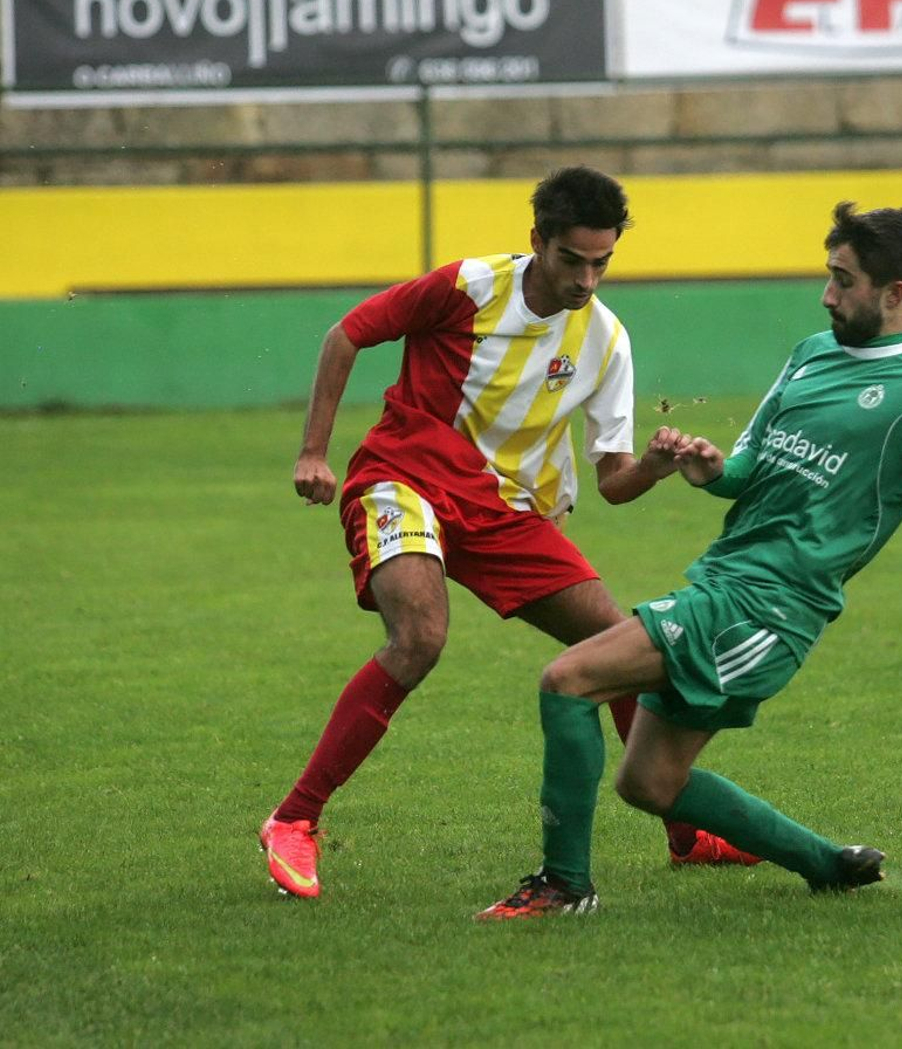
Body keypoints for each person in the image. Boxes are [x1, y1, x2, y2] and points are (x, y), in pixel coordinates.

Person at [474, 200, 902, 919]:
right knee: (648, 782)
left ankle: (563, 885)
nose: (827, 294)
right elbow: (747, 471)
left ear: (895, 293)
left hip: (772, 607)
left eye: (843, 280)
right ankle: (826, 864)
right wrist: (712, 468)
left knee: (567, 679)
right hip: (725, 577)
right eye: (829, 276)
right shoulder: (811, 354)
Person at [259, 166, 755, 900]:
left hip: (501, 511)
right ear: (537, 242)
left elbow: (614, 479)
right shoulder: (470, 286)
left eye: (602, 262)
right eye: (572, 260)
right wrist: (311, 452)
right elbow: (346, 335)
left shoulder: (606, 339)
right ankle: (294, 819)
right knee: (420, 637)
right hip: (405, 475)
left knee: (622, 643)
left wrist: (651, 465)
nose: (587, 279)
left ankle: (684, 831)